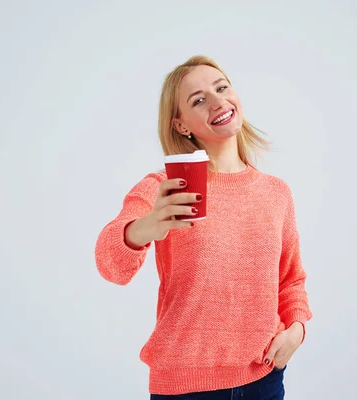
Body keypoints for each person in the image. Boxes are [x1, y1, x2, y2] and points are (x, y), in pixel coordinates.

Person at [94, 55, 313, 399]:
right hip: (186, 386)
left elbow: (291, 280)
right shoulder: (164, 187)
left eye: (222, 87)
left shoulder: (276, 193)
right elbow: (110, 264)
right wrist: (148, 226)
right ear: (181, 125)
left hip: (264, 380)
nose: (217, 101)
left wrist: (297, 329)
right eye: (198, 100)